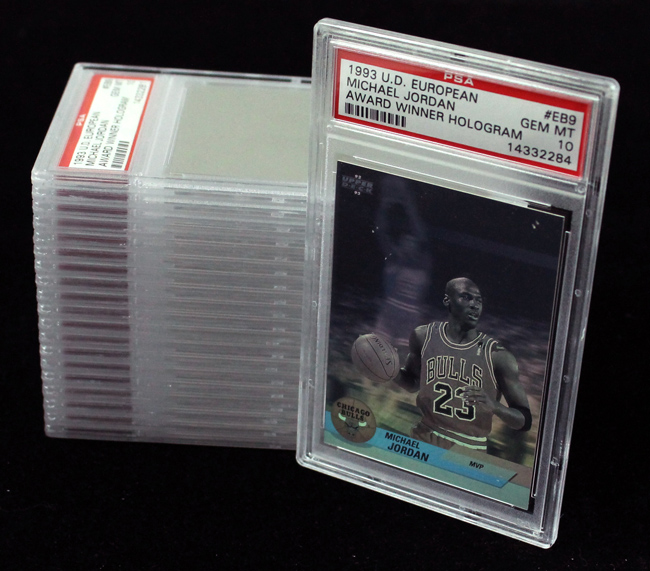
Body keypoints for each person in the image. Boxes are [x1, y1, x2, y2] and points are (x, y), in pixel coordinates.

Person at [392, 277, 532, 451]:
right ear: (447, 300)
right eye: (466, 297)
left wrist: (494, 406)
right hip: (425, 435)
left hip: (469, 447)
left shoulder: (498, 356)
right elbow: (413, 383)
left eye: (478, 300)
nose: (474, 305)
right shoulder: (423, 336)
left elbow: (524, 420)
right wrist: (392, 371)